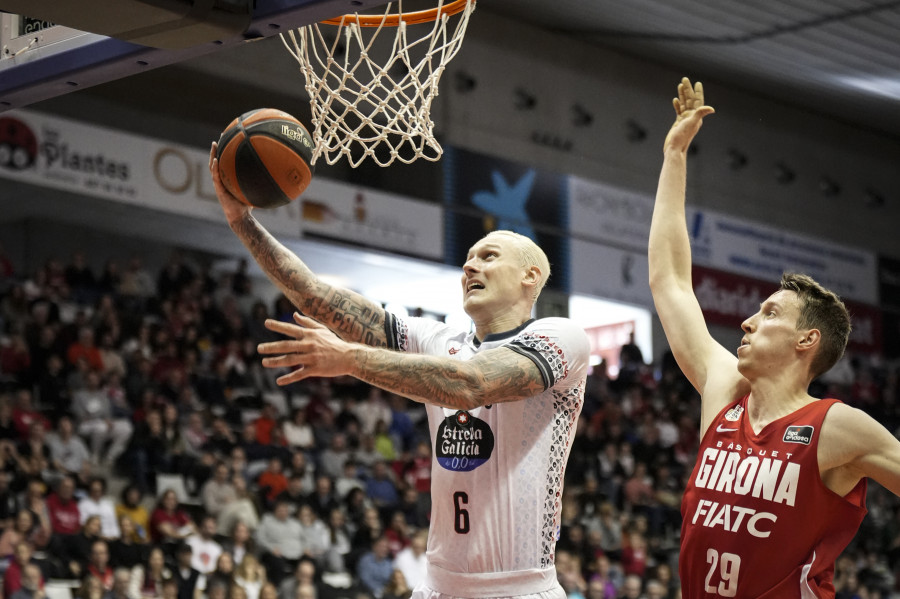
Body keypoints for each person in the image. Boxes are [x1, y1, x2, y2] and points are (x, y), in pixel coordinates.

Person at [209, 142, 591, 599]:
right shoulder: (439, 340)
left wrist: (349, 358)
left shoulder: (562, 337)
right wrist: (242, 223)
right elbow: (316, 296)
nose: (470, 264)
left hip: (520, 589)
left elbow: (471, 384)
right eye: (468, 257)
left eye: (488, 256)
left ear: (530, 277)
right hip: (437, 586)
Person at [648, 77, 900, 598]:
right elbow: (671, 282)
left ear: (806, 340)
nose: (746, 322)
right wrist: (674, 153)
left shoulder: (837, 427)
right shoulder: (724, 392)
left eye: (768, 313)